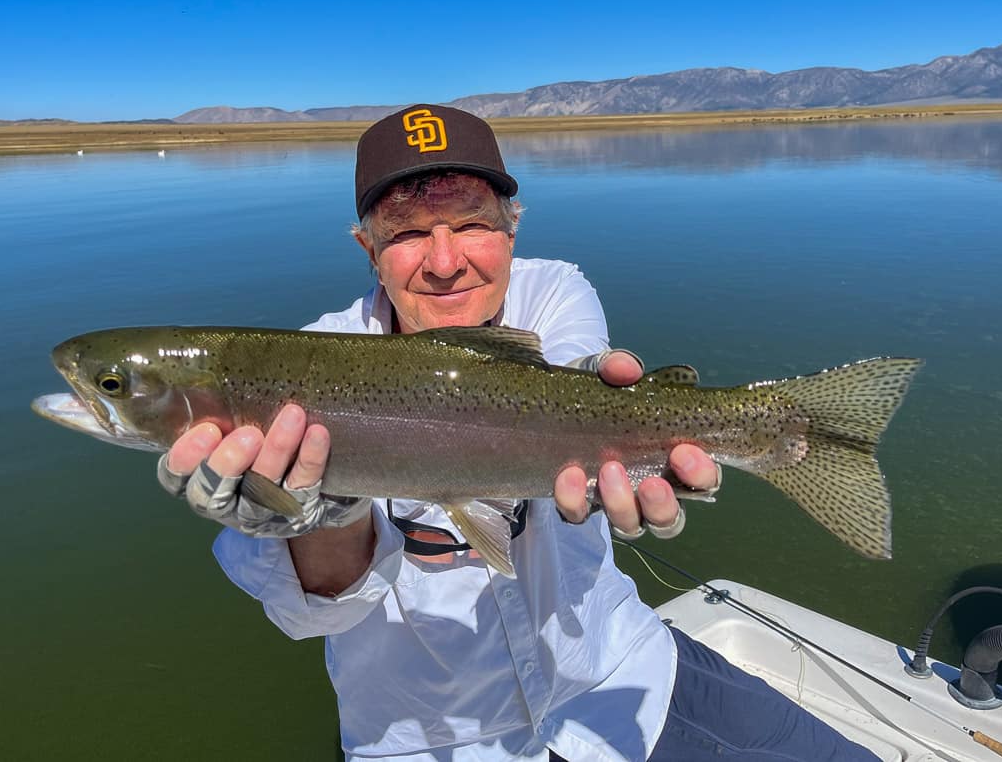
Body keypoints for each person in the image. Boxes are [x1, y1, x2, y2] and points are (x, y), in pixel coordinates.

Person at [159, 105, 877, 761]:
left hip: (622, 674)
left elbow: (569, 375)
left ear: (512, 226)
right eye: (407, 234)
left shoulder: (555, 289)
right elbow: (306, 614)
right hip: (435, 738)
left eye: (471, 223)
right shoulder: (301, 371)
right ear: (366, 248)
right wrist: (317, 511)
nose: (445, 263)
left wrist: (614, 399)